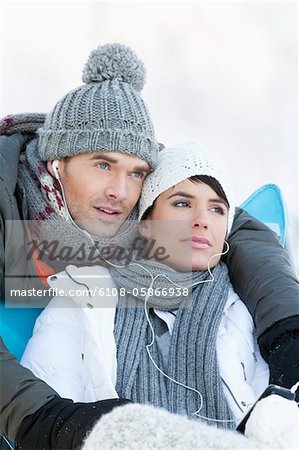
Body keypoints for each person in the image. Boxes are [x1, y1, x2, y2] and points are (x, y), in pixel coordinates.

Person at [0, 43, 298, 449]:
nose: (120, 193)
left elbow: (236, 223)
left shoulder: (142, 198)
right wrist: (42, 418)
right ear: (57, 163)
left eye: (136, 173)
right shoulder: (9, 204)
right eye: (102, 164)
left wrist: (288, 328)